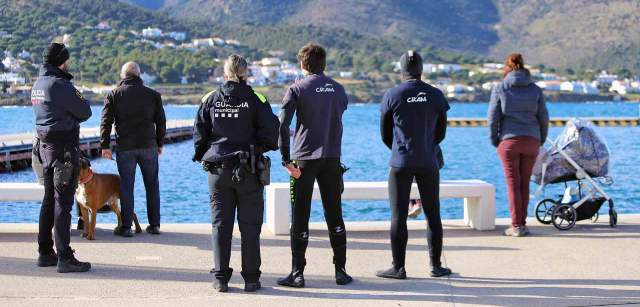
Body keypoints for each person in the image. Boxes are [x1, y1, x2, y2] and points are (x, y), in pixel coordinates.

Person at [193, 54, 279, 292]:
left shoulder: (210, 98)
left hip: (218, 171)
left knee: (220, 225)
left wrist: (203, 154)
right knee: (250, 226)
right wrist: (258, 148)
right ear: (245, 73)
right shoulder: (257, 99)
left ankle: (220, 279)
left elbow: (199, 133)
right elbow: (273, 134)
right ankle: (251, 279)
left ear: (225, 73)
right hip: (249, 169)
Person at [277, 43, 353, 288]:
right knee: (335, 214)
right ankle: (341, 272)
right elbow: (337, 112)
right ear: (324, 64)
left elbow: (282, 126)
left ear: (302, 64)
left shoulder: (297, 88)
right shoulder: (339, 89)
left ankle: (297, 274)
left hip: (304, 160)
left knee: (300, 215)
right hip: (332, 159)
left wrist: (286, 160)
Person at [376, 50, 452, 280]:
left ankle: (398, 268)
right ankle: (436, 266)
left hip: (401, 161)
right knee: (433, 213)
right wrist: (427, 147)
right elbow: (441, 132)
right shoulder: (436, 95)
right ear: (421, 69)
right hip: (428, 161)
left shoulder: (393, 94)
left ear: (402, 70)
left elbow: (385, 133)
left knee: (398, 215)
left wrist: (400, 149)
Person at [31, 42, 92, 273]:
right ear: (61, 61)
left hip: (44, 149)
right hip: (64, 150)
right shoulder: (61, 85)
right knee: (63, 204)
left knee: (49, 200)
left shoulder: (37, 84)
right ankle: (65, 257)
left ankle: (45, 251)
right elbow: (85, 111)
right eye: (67, 59)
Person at [100, 62, 166, 237]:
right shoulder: (153, 95)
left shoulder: (114, 94)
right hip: (148, 146)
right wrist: (159, 143)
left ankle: (127, 227)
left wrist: (105, 146)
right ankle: (154, 225)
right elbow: (161, 122)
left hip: (125, 147)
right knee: (152, 185)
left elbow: (106, 122)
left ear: (123, 76)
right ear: (139, 75)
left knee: (126, 187)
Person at [488, 53, 549, 237]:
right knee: (524, 184)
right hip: (532, 141)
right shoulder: (535, 90)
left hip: (509, 142)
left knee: (513, 184)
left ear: (507, 67)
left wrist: (495, 140)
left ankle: (516, 226)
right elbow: (544, 118)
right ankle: (522, 224)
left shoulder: (500, 88)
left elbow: (492, 118)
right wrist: (541, 139)